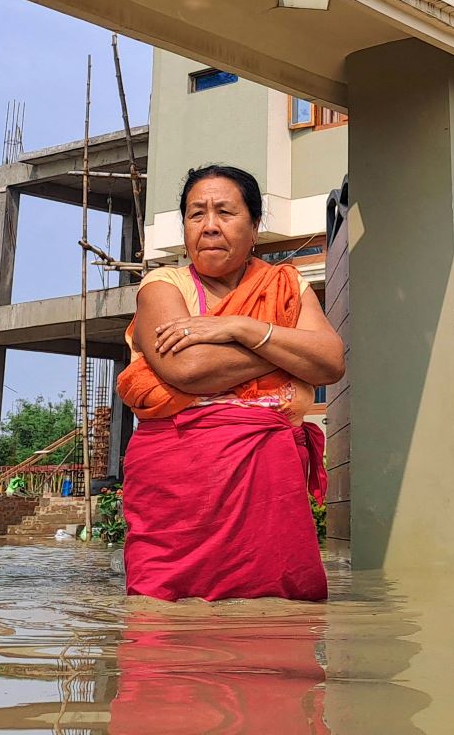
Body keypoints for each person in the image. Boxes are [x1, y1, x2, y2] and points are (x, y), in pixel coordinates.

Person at [116, 165, 345, 602]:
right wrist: (285, 349)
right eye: (196, 214)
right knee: (162, 621)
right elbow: (190, 369)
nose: (209, 227)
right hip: (179, 490)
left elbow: (331, 362)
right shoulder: (163, 286)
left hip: (268, 489)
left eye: (225, 212)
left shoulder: (287, 285)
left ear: (255, 225)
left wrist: (241, 328)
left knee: (277, 622)